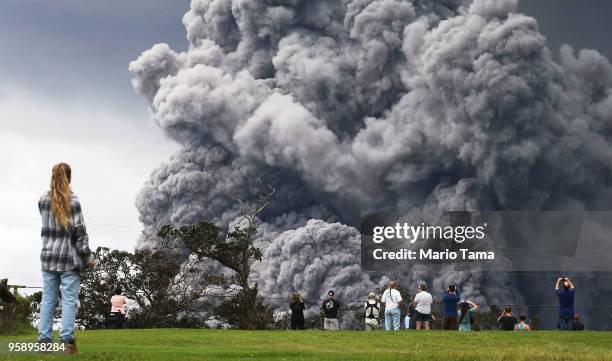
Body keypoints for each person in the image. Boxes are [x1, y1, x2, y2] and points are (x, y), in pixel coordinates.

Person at [37, 163, 91, 354]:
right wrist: (88, 257)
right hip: (69, 259)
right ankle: (67, 343)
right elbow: (80, 233)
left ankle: (44, 341)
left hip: (48, 257)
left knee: (48, 300)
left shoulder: (43, 199)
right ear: (69, 178)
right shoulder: (73, 201)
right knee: (69, 301)